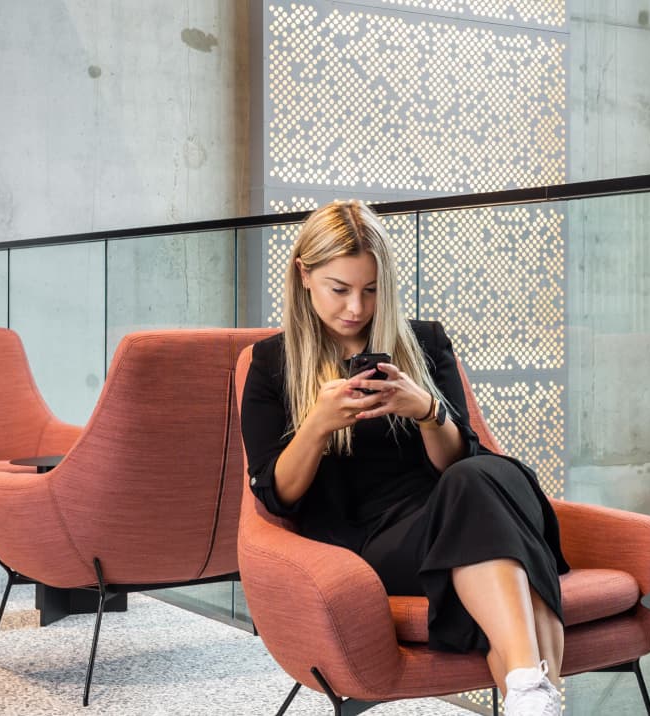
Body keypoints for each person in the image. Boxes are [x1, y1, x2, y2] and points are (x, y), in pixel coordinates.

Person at [241, 200, 569, 716]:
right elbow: (275, 495)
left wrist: (428, 410)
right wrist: (317, 426)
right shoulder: (271, 364)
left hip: (454, 505)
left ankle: (529, 695)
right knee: (502, 532)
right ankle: (531, 689)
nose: (356, 308)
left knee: (478, 478)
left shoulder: (426, 342)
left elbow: (459, 460)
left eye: (371, 290)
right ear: (304, 275)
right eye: (340, 290)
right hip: (375, 543)